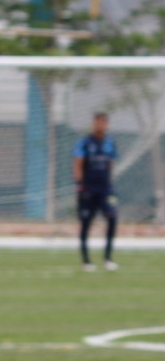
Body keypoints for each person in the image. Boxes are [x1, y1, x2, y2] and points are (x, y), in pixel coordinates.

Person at [72, 112, 118, 272]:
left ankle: (107, 258)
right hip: (88, 190)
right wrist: (79, 185)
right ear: (93, 124)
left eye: (103, 123)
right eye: (97, 123)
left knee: (112, 218)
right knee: (85, 223)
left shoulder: (110, 143)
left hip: (105, 190)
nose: (100, 126)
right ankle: (86, 261)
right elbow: (77, 164)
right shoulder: (84, 143)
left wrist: (110, 185)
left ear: (106, 125)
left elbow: (110, 164)